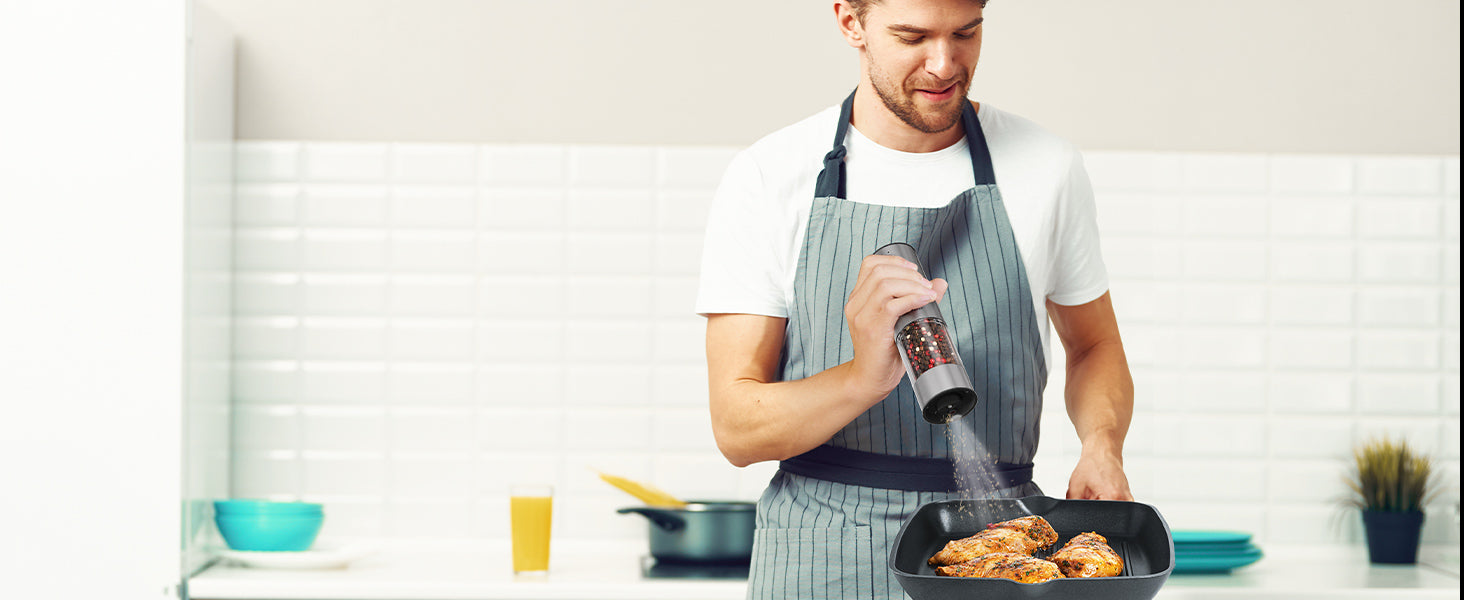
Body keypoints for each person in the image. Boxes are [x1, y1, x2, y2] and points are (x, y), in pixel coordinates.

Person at [694, 0, 1135, 597]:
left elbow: (1095, 344)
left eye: (966, 33)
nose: (944, 63)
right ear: (852, 23)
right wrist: (862, 377)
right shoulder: (770, 176)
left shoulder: (1046, 166)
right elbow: (738, 429)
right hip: (821, 553)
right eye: (912, 37)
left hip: (1001, 553)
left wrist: (1102, 444)